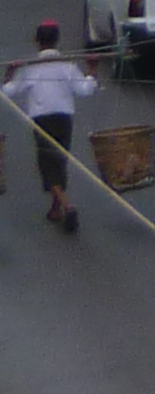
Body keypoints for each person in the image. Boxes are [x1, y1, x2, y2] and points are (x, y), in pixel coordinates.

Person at [6, 21, 89, 234]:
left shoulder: (31, 67)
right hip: (64, 119)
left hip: (42, 121)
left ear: (37, 41)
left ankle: (67, 206)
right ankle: (55, 209)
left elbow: (9, 91)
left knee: (47, 165)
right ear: (57, 40)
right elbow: (85, 89)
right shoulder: (68, 65)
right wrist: (93, 70)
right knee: (59, 161)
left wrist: (9, 72)